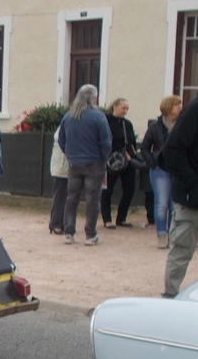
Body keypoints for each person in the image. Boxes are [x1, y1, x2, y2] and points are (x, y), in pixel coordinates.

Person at [58, 84, 112, 246]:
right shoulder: (98, 116)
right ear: (94, 98)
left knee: (71, 198)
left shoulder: (69, 116)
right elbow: (106, 142)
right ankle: (90, 234)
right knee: (92, 200)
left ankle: (69, 233)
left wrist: (70, 154)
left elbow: (61, 140)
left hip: (74, 163)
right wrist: (104, 160)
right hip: (94, 163)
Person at [162, 90, 198, 298]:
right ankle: (170, 297)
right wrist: (193, 184)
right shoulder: (194, 110)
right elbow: (172, 150)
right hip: (191, 199)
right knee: (182, 252)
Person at [141, 95, 183, 248]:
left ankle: (172, 236)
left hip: (178, 170)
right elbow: (144, 147)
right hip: (160, 169)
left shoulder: (182, 124)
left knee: (174, 205)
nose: (180, 107)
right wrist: (152, 162)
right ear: (168, 107)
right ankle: (161, 234)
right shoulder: (156, 126)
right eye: (177, 104)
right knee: (161, 204)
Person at [101, 98, 138, 229]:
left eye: (127, 108)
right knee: (107, 190)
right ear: (115, 106)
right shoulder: (105, 121)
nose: (125, 111)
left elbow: (132, 142)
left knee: (129, 189)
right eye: (123, 108)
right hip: (111, 160)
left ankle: (121, 218)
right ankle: (107, 219)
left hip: (127, 160)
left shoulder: (127, 124)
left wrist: (134, 158)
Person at [49, 125, 69, 234]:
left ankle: (63, 223)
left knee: (67, 196)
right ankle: (56, 223)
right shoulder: (65, 125)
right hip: (62, 166)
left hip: (69, 166)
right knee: (60, 195)